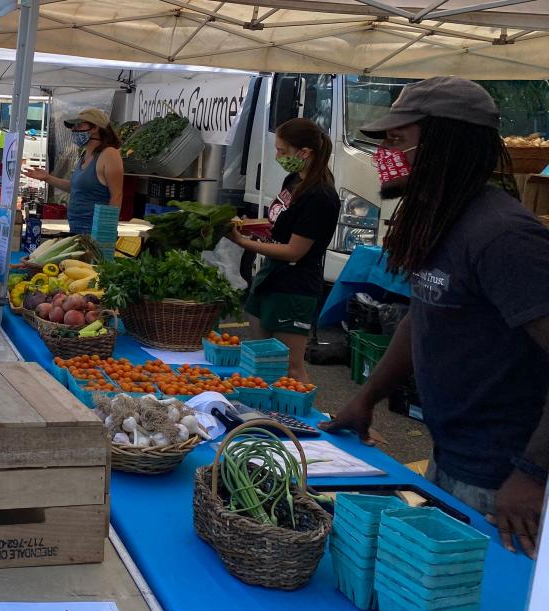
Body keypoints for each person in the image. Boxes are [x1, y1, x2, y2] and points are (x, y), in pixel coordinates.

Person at [319, 77, 549, 558]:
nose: (385, 153)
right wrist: (367, 397)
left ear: (445, 145)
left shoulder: (504, 237)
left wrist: (531, 474)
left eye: (398, 140)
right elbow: (420, 319)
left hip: (505, 483)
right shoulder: (442, 219)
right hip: (450, 456)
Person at [229, 118, 339, 383]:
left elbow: (294, 251)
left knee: (290, 368)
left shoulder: (321, 196)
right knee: (261, 360)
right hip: (270, 277)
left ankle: (301, 419)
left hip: (294, 287)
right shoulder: (293, 180)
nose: (277, 156)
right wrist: (246, 227)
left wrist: (242, 242)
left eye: (282, 151)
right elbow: (277, 225)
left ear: (304, 153)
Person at [24, 108, 124, 233]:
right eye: (73, 126)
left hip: (94, 230)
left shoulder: (109, 154)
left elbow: (117, 195)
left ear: (95, 128)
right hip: (76, 226)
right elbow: (74, 187)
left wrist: (106, 230)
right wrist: (47, 178)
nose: (73, 130)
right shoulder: (84, 154)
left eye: (79, 125)